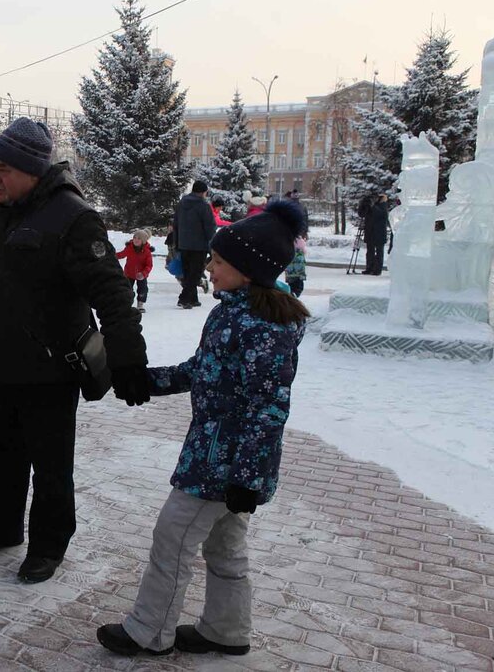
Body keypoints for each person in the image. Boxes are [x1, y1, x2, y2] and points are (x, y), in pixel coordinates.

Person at [96, 201, 308, 659]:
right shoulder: (232, 312)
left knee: (172, 540)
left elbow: (269, 408)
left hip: (222, 465)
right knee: (225, 546)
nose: (208, 267)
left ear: (246, 270)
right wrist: (143, 381)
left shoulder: (264, 328)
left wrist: (247, 479)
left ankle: (149, 632)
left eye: (217, 261)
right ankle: (225, 630)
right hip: (221, 459)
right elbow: (203, 370)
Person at [0, 118, 151, 584]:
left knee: (51, 464)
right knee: (1, 452)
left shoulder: (72, 217)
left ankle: (49, 544)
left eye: (3, 168)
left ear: (33, 170)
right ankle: (2, 526)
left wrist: (128, 358)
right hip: (0, 362)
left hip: (51, 368)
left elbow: (112, 294)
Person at [174, 181, 216, 308]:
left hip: (183, 242)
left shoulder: (182, 203)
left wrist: (177, 241)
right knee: (196, 272)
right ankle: (184, 298)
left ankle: (193, 298)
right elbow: (209, 226)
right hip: (199, 244)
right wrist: (212, 242)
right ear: (204, 192)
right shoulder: (203, 205)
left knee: (187, 272)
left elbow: (176, 222)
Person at [116, 229, 154, 312]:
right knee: (127, 289)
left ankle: (140, 303)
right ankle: (127, 303)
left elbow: (149, 265)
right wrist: (112, 256)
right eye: (135, 238)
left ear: (143, 241)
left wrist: (143, 273)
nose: (136, 240)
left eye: (139, 238)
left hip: (141, 274)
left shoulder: (147, 252)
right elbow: (121, 254)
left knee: (143, 289)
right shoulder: (129, 248)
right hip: (129, 273)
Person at [363, 193, 390, 275]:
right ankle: (369, 268)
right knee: (370, 251)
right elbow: (362, 214)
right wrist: (364, 203)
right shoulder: (372, 206)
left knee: (379, 252)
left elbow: (381, 214)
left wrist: (373, 206)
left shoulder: (383, 206)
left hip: (379, 233)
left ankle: (377, 270)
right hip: (370, 231)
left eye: (379, 197)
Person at [285, 231, 307, 297]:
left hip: (290, 271)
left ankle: (292, 296)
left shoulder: (287, 240)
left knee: (292, 286)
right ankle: (293, 297)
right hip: (298, 271)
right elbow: (304, 251)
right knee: (298, 287)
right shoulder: (299, 240)